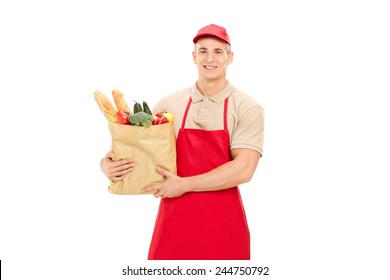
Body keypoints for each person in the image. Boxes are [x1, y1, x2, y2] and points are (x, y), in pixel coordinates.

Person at [100, 24, 264, 260]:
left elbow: (244, 169)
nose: (210, 58)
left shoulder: (248, 107)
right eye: (203, 51)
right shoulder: (170, 104)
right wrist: (107, 165)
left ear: (230, 58)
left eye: (218, 52)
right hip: (173, 221)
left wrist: (184, 185)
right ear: (193, 56)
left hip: (223, 225)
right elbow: (139, 148)